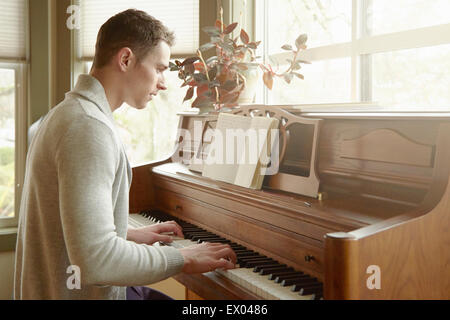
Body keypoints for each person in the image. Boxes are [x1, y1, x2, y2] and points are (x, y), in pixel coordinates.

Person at [14, 9, 236, 300]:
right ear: (126, 59)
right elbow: (97, 261)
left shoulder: (69, 114)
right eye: (159, 68)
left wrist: (125, 233)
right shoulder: (88, 128)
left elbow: (67, 223)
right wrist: (185, 258)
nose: (163, 82)